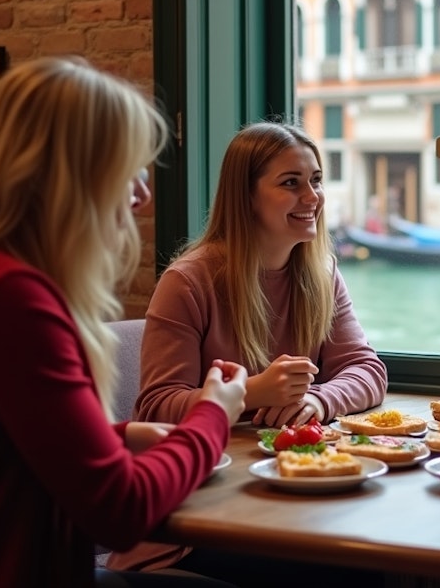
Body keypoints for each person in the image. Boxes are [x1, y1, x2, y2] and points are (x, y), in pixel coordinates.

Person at [0, 57, 249, 588]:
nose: (143, 195)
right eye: (128, 169)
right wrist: (212, 415)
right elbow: (119, 511)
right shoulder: (8, 298)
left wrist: (119, 436)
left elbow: (15, 441)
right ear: (69, 177)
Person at [107, 121, 388, 582]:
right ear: (246, 197)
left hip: (283, 499)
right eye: (290, 183)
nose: (312, 197)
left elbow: (366, 368)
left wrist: (318, 400)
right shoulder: (188, 281)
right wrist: (253, 392)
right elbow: (155, 405)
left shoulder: (322, 272)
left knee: (369, 559)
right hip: (196, 521)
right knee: (349, 571)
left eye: (316, 180)